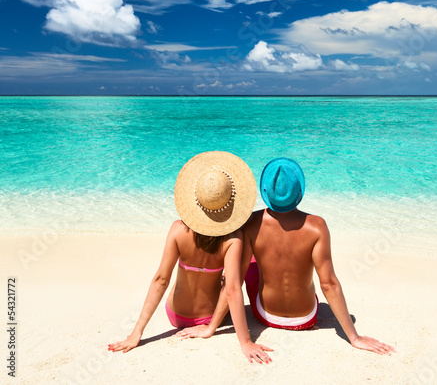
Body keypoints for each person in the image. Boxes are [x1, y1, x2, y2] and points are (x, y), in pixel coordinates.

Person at [181, 157, 395, 356]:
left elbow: (234, 284)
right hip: (306, 319)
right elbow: (328, 284)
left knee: (246, 263)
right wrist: (354, 337)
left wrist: (211, 328)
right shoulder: (317, 226)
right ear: (299, 192)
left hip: (264, 315)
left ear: (265, 191)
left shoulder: (251, 224)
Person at [108, 151, 272, 364]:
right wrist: (245, 342)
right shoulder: (232, 239)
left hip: (175, 316)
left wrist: (136, 333)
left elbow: (161, 280)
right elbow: (232, 289)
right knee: (248, 264)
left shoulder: (177, 230)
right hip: (212, 317)